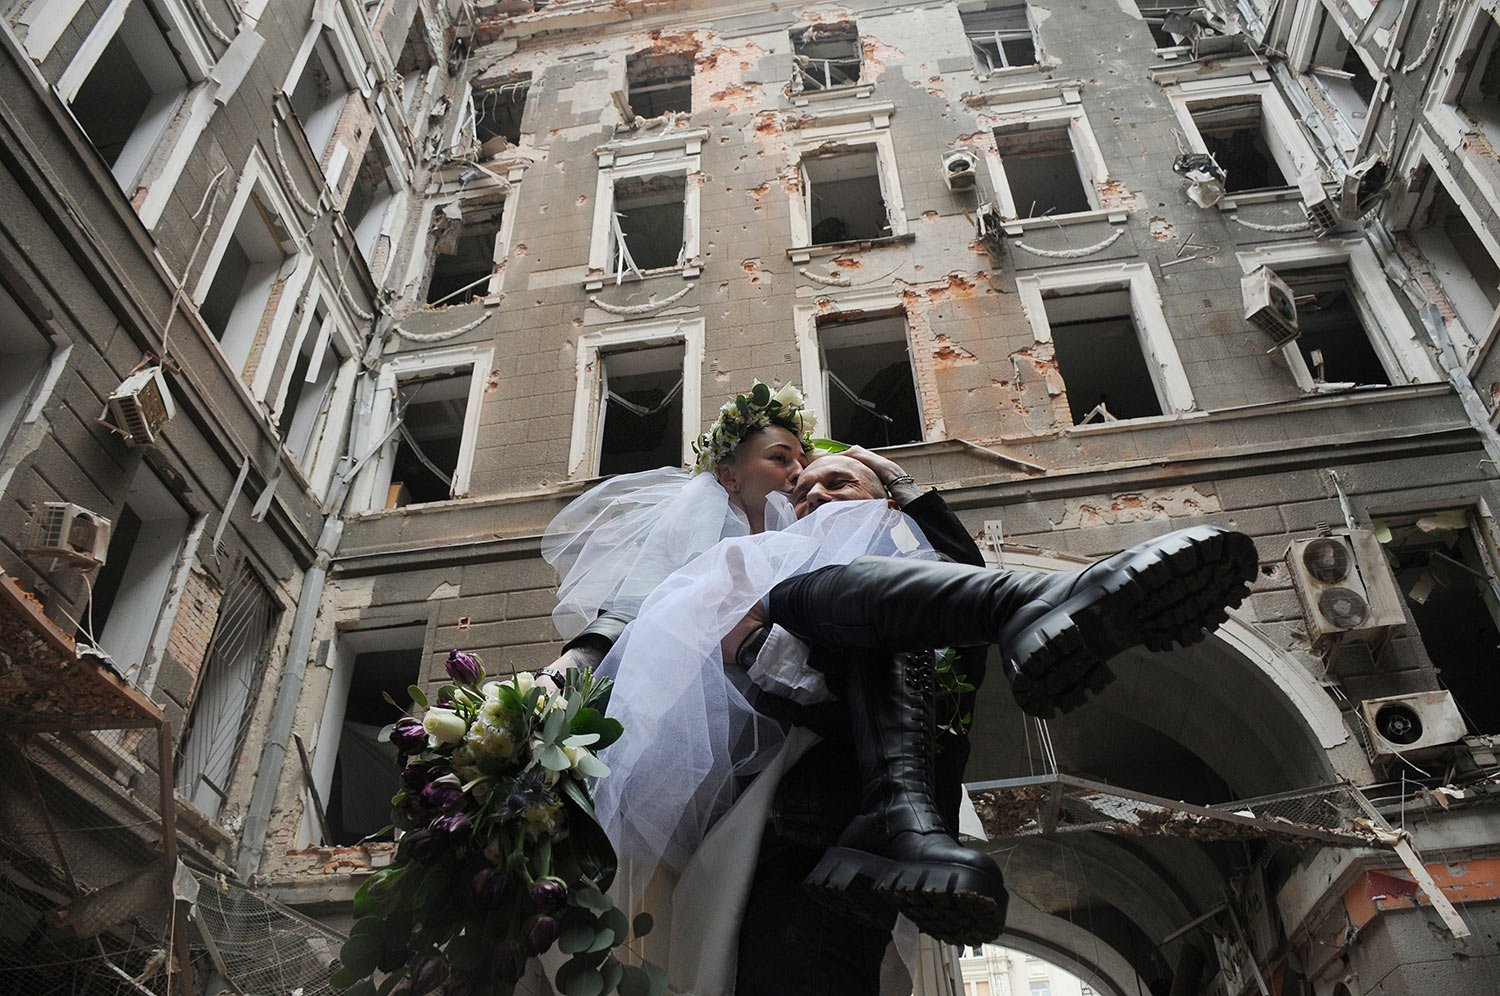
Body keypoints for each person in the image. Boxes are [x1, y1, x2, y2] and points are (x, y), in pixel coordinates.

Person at [540, 381, 1258, 993]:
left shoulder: (896, 556)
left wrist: (893, 484)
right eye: (794, 478)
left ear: (888, 505)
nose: (812, 487)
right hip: (783, 826)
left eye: (832, 478)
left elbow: (945, 572)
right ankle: (1028, 620)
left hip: (844, 829)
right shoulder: (742, 565)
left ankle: (916, 792)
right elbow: (632, 619)